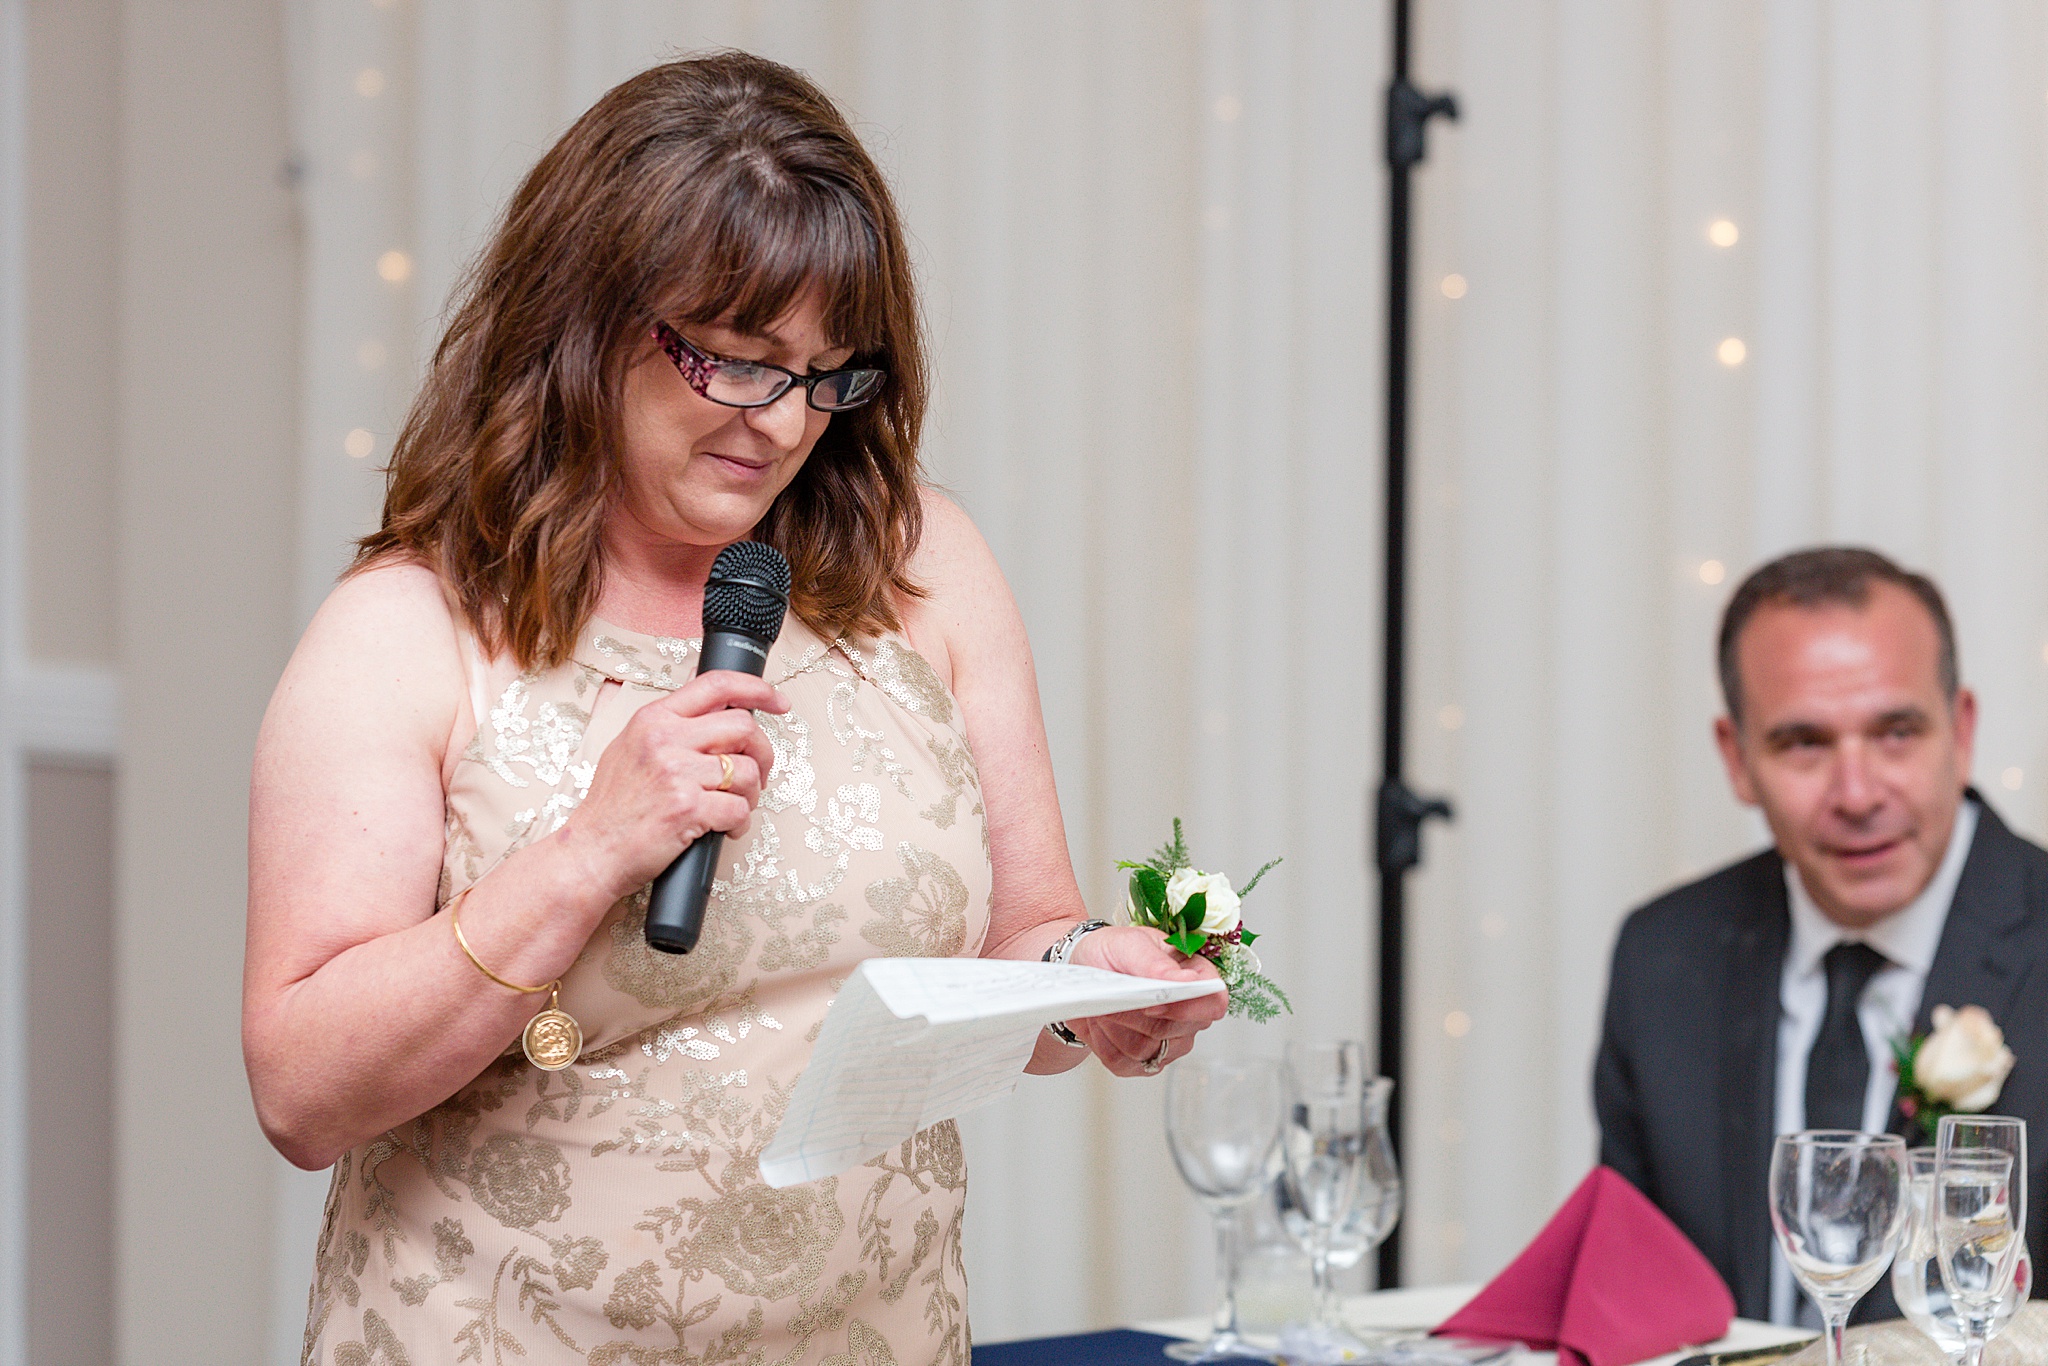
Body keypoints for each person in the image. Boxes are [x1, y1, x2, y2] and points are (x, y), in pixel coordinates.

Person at [243, 53, 1225, 1365]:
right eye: (738, 361)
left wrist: (1084, 985)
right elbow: (302, 1093)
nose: (782, 424)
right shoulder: (408, 631)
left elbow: (1018, 948)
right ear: (585, 322)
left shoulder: (926, 571)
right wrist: (589, 854)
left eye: (828, 375)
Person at [1594, 547, 2048, 1325]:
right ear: (1738, 759)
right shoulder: (1663, 955)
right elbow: (1632, 1308)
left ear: (1961, 730)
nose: (1857, 793)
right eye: (1804, 743)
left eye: (1896, 731)